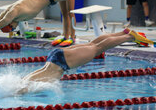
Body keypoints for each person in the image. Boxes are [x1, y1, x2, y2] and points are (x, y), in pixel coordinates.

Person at [18, 28, 154, 94]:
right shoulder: (33, 78)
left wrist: (22, 91)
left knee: (97, 47)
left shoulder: (34, 82)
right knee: (94, 45)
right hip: (57, 57)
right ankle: (123, 33)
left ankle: (129, 36)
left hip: (61, 60)